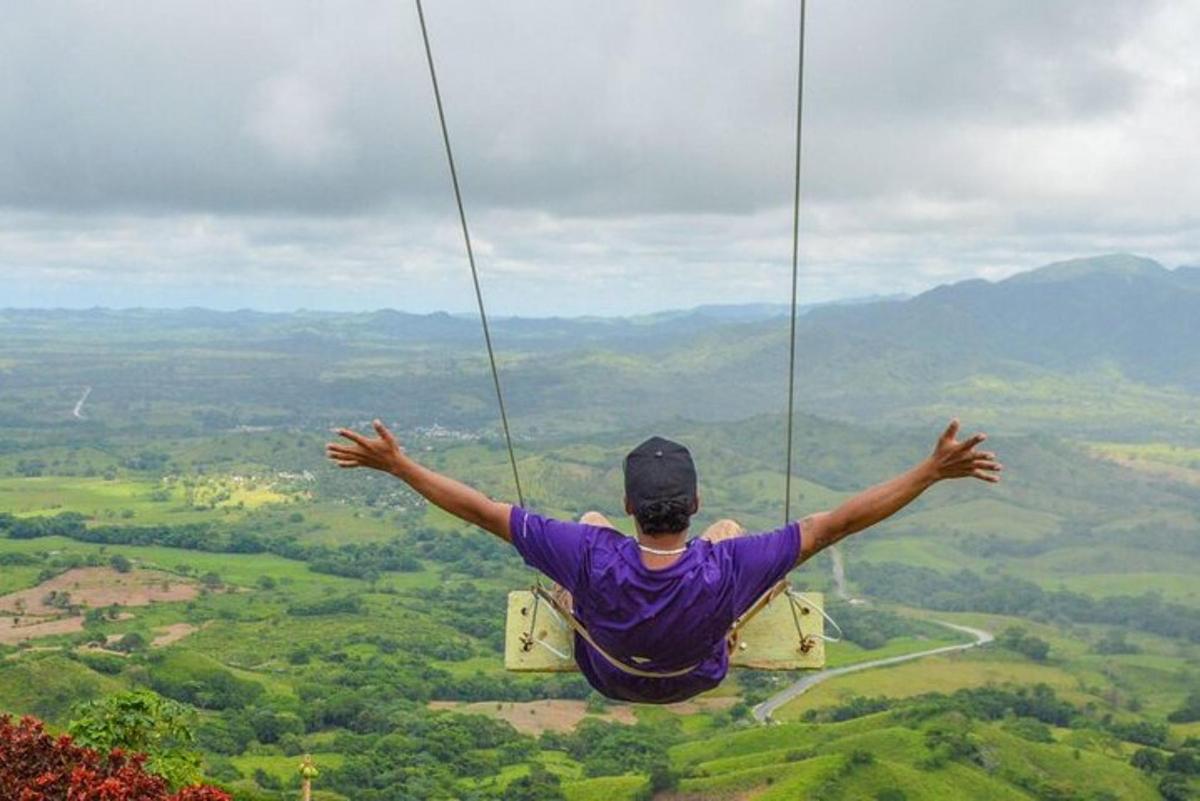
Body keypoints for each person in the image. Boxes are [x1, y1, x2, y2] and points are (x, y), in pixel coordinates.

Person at [326, 419, 1000, 704]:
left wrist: (398, 464)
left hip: (608, 676)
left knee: (575, 540)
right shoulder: (728, 562)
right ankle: (712, 626)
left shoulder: (590, 547)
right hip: (696, 675)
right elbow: (838, 521)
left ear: (627, 504)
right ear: (695, 501)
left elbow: (479, 509)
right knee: (744, 540)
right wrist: (931, 471)